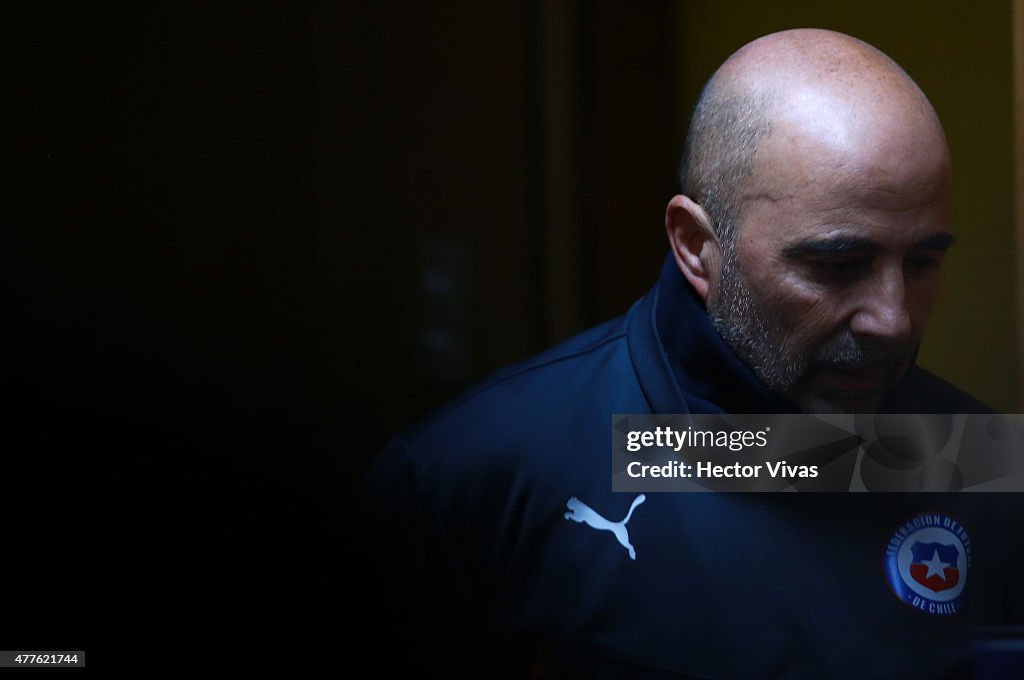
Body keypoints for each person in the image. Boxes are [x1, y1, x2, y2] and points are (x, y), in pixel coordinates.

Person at [353, 29, 1023, 677]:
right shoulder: (476, 479)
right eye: (839, 263)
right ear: (695, 245)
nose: (893, 320)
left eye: (924, 262)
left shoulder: (985, 468)